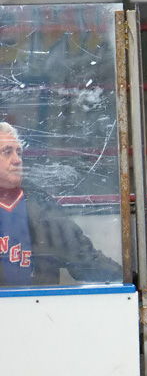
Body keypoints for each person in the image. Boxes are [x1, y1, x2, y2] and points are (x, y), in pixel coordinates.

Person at [0, 122, 122, 286]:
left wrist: (129, 279)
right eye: (7, 152)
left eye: (19, 153)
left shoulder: (40, 203)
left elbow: (84, 259)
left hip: (39, 307)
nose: (17, 160)